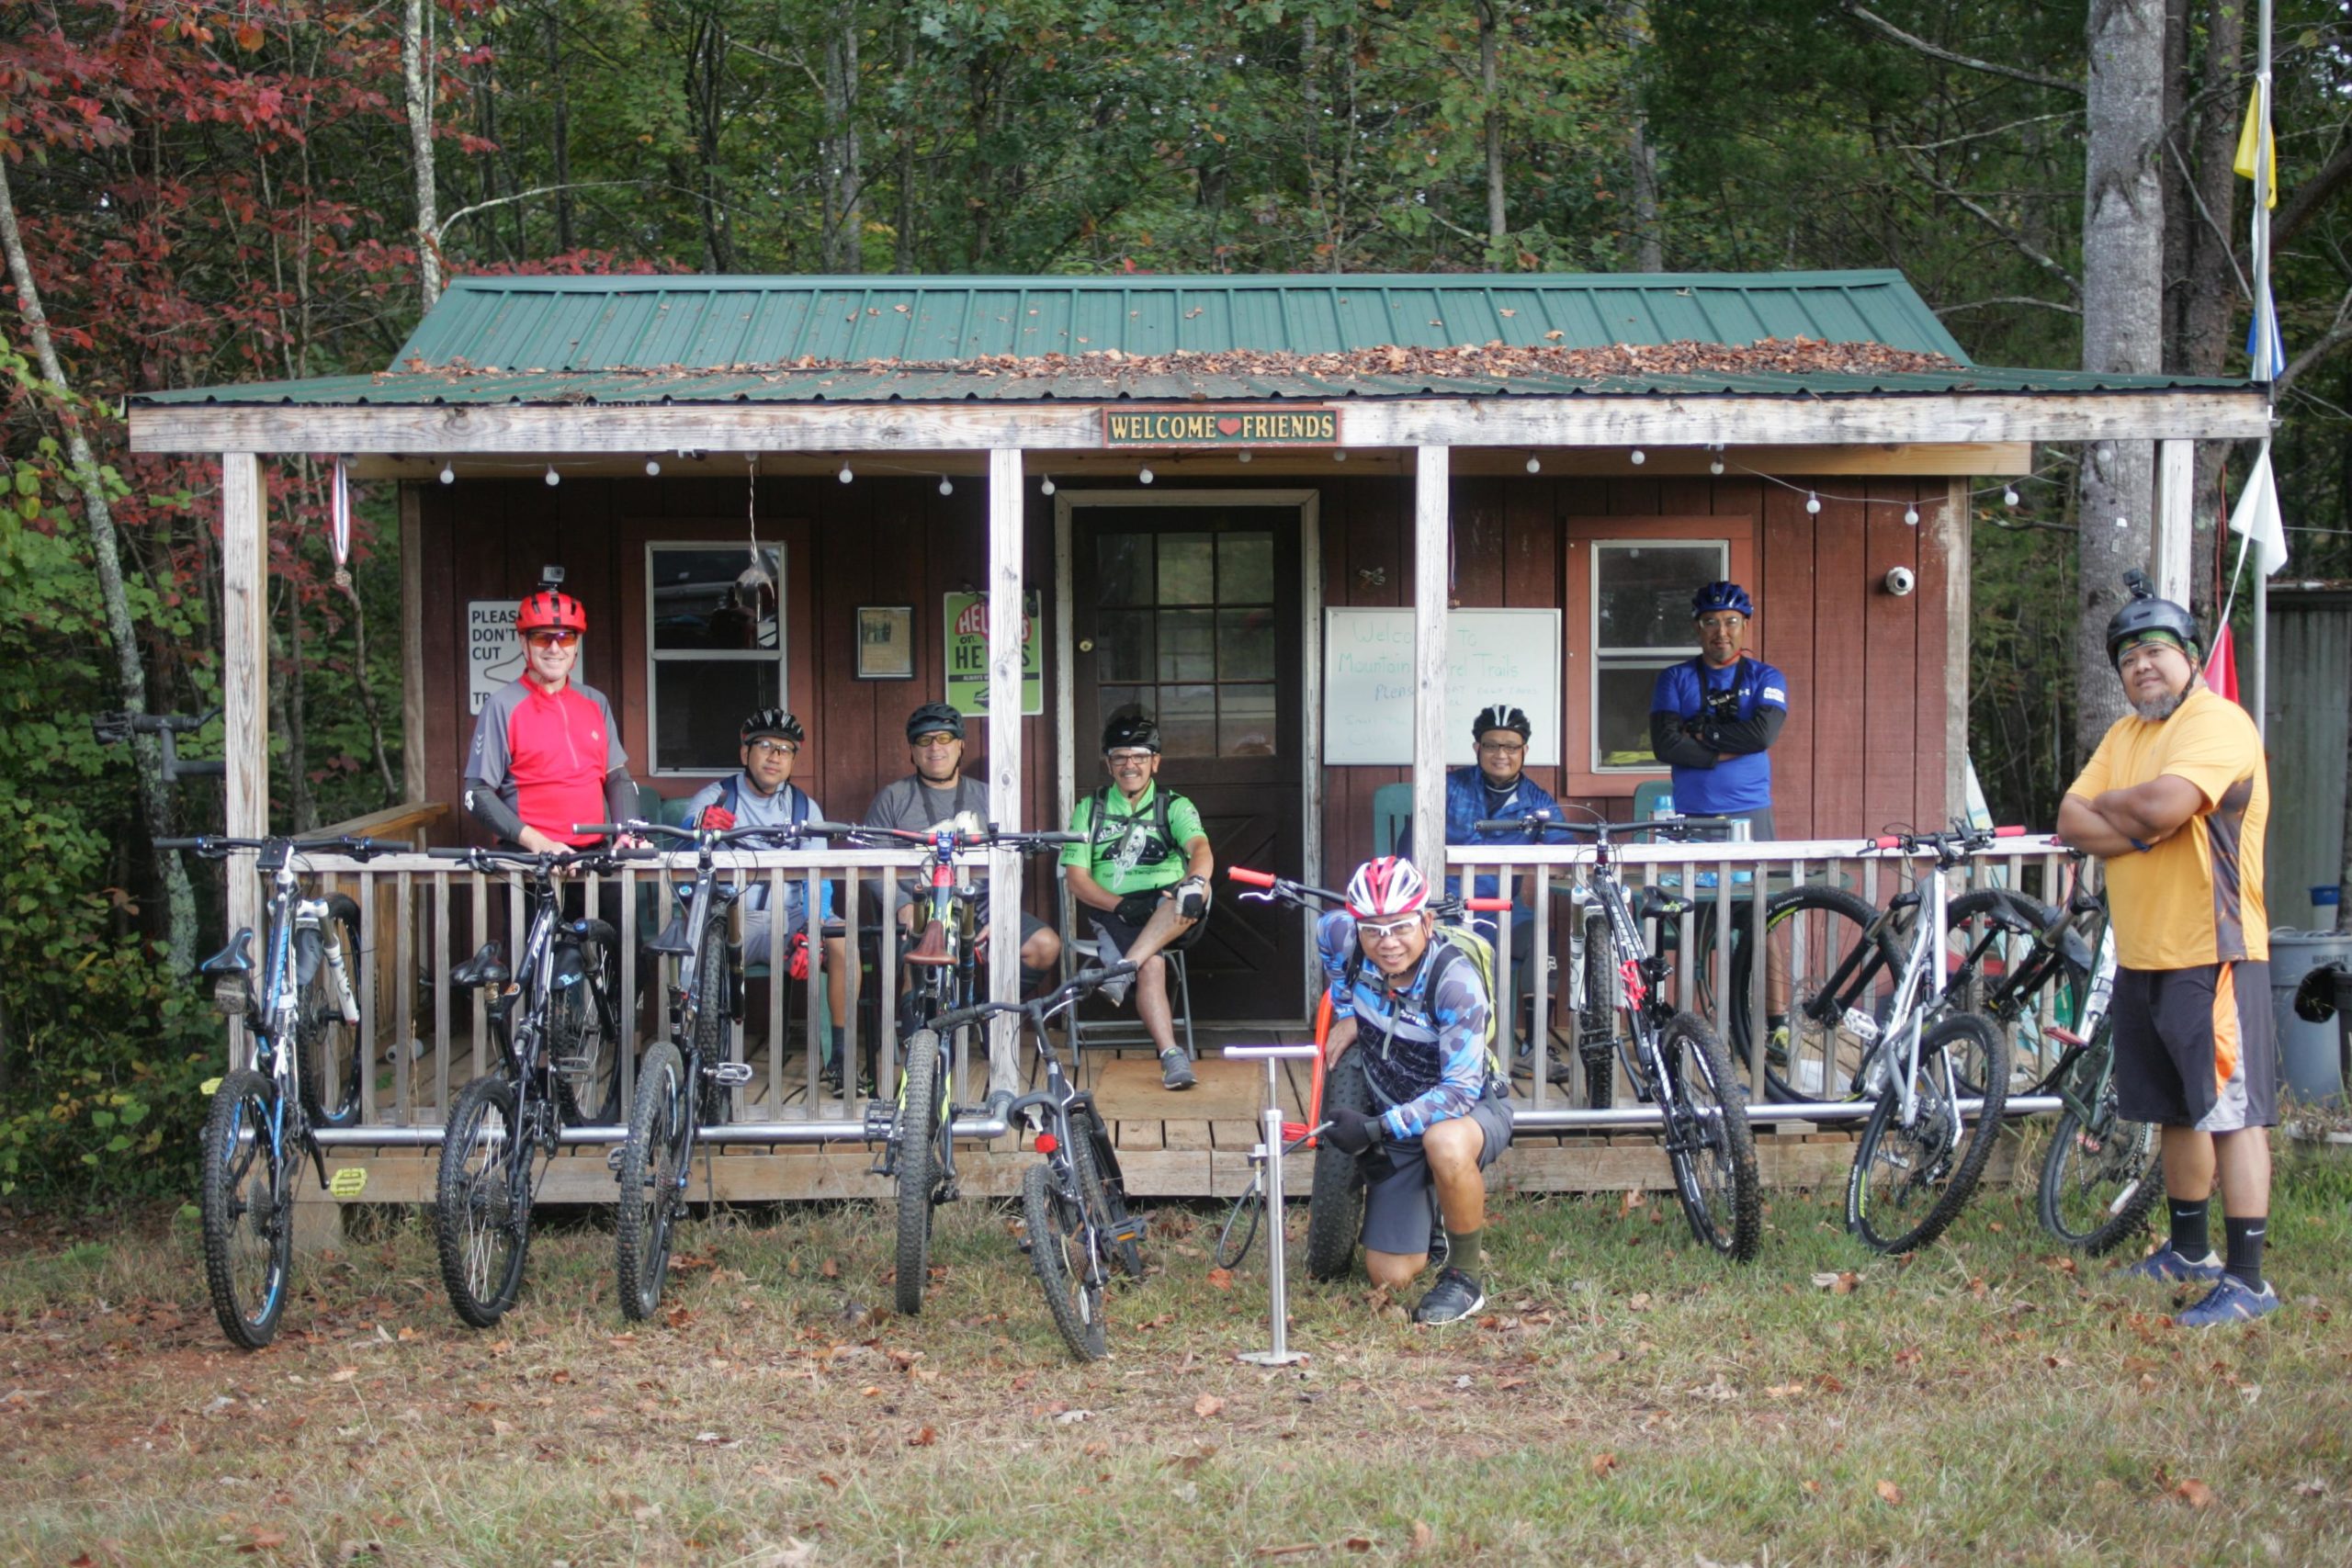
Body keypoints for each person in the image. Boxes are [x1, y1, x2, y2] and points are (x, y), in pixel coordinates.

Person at [2058, 579, 2278, 1326]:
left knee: (2232, 1111)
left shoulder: (2217, 723)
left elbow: (2161, 806)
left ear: (2190, 658)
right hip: (2143, 950)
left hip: (2211, 947)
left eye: (2155, 650)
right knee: (2177, 1110)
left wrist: (2136, 810)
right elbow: (2069, 818)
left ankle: (2248, 1278)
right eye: (2127, 657)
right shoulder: (2125, 737)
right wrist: (2148, 815)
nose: (2141, 666)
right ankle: (2189, 1251)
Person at [1317, 856, 1513, 1326]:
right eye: (1373, 930)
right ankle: (1434, 1217)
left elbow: (1459, 1092)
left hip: (1468, 1112)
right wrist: (1346, 1008)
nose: (1387, 943)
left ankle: (1464, 1279)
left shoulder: (1455, 982)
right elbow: (1326, 929)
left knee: (1442, 1142)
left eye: (1401, 927)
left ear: (1426, 920)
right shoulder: (1348, 940)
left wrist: (1377, 1126)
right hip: (1398, 1123)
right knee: (1390, 1276)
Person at [681, 709, 854, 1091]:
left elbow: (817, 876)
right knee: (697, 941)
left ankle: (841, 1058)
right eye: (764, 746)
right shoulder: (718, 795)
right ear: (745, 754)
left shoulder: (803, 807)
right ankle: (703, 1061)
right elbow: (682, 843)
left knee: (843, 939)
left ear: (793, 760)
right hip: (731, 916)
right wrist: (699, 827)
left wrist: (814, 927)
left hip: (789, 918)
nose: (775, 756)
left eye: (785, 750)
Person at [862, 698, 1063, 1000]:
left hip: (980, 907)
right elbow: (872, 863)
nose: (935, 748)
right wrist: (901, 904)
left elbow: (1011, 860)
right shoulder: (892, 797)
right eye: (924, 740)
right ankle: (918, 1040)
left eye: (944, 738)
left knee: (1045, 946)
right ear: (912, 751)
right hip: (919, 910)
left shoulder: (987, 796)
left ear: (960, 746)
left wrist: (1001, 911)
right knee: (916, 965)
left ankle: (983, 1014)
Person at [1062, 713, 1214, 1090]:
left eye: (1139, 756)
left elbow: (1200, 848)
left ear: (1155, 762)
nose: (1129, 765)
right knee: (1153, 967)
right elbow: (1077, 879)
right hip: (1116, 907)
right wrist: (1119, 905)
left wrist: (1193, 881)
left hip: (1174, 908)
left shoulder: (1174, 805)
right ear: (1109, 763)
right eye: (1119, 757)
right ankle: (1172, 1057)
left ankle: (1122, 967)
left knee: (1194, 888)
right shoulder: (1090, 808)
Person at [1400, 703, 1560, 1057]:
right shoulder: (1444, 789)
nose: (1501, 754)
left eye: (1511, 746)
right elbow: (1407, 852)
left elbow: (1563, 850)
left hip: (1502, 912)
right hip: (1442, 911)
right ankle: (1434, 1045)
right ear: (1477, 749)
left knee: (1540, 937)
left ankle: (1536, 1045)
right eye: (1491, 745)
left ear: (1524, 752)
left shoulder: (1537, 801)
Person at [462, 583, 637, 851]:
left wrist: (628, 830)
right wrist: (539, 843)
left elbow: (617, 777)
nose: (555, 649)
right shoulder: (502, 706)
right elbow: (477, 792)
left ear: (576, 645)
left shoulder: (595, 702)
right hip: (531, 858)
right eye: (543, 638)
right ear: (524, 643)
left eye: (566, 638)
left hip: (595, 853)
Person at [1647, 581, 1788, 841]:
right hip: (1690, 811)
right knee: (1689, 882)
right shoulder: (1674, 678)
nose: (1721, 632)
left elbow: (1761, 737)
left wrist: (1702, 734)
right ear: (1696, 628)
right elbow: (1665, 745)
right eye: (1710, 622)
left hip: (1750, 810)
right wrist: (1728, 750)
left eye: (1731, 621)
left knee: (1754, 883)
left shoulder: (1766, 677)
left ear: (1745, 624)